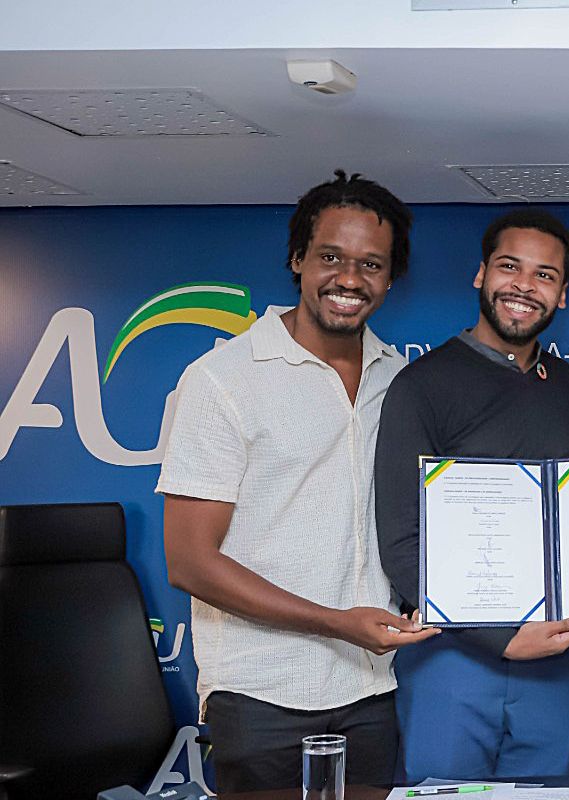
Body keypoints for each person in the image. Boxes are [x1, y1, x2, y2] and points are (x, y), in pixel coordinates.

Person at [158, 171, 438, 792]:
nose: (349, 279)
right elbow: (190, 562)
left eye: (371, 264)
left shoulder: (402, 379)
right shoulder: (223, 379)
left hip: (370, 689)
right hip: (260, 694)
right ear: (297, 260)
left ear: (390, 279)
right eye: (330, 257)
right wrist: (337, 622)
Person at [374, 208, 569, 780]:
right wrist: (501, 638)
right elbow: (403, 546)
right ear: (481, 275)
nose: (525, 286)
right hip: (452, 656)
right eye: (510, 267)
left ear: (562, 296)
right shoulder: (421, 385)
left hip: (551, 658)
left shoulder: (566, 385)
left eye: (544, 275)